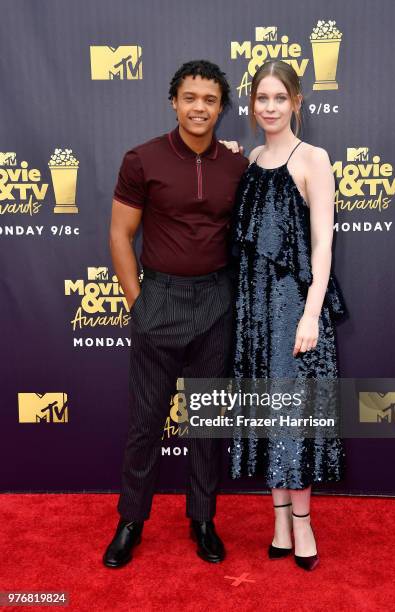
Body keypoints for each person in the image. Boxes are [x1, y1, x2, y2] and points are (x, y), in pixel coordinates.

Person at [103, 60, 248, 568]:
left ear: (222, 108)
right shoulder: (142, 159)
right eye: (190, 97)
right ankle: (130, 521)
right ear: (174, 102)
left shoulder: (237, 165)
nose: (199, 107)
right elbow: (121, 235)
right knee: (145, 422)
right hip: (158, 298)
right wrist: (137, 302)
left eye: (209, 100)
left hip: (215, 300)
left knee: (207, 420)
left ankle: (203, 519)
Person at [229, 60, 347, 571]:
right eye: (262, 99)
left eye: (280, 97)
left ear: (297, 101)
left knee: (294, 419)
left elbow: (323, 245)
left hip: (295, 310)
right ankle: (277, 520)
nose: (270, 107)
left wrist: (310, 314)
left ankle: (303, 523)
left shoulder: (314, 159)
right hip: (254, 309)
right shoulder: (252, 156)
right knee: (266, 416)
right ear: (251, 105)